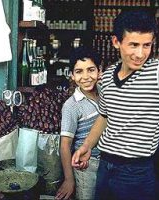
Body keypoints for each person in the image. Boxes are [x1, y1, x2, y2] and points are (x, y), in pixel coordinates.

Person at [71, 10, 159, 200]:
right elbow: (105, 116)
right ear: (116, 42)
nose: (140, 54)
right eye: (134, 45)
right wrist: (88, 146)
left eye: (146, 45)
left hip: (136, 173)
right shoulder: (106, 77)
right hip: (105, 166)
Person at [55, 46, 102, 200]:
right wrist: (69, 180)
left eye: (91, 69)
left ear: (99, 71)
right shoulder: (72, 105)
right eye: (79, 71)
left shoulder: (105, 93)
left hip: (108, 163)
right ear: (72, 76)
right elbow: (65, 145)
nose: (86, 76)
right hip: (87, 166)